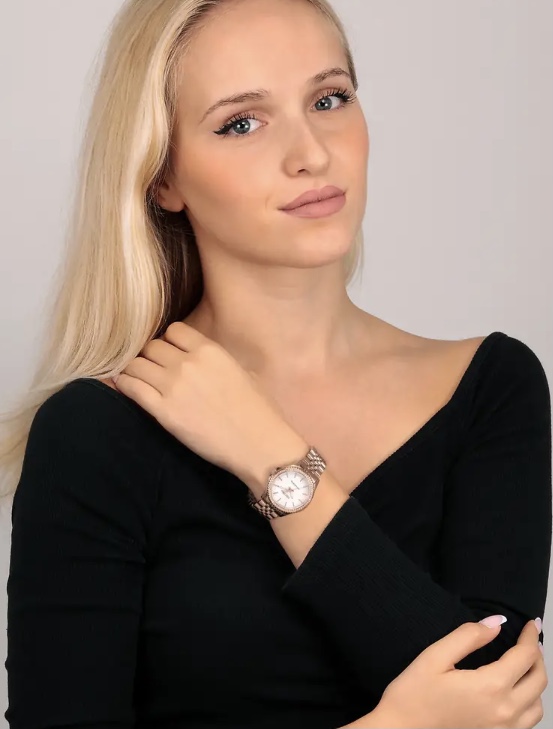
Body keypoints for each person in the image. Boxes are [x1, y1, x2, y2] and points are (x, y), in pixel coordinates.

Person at [1, 0, 551, 727]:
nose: (311, 153)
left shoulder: (492, 389)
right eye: (241, 122)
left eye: (329, 99)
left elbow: (495, 693)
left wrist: (273, 460)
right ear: (162, 177)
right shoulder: (96, 432)